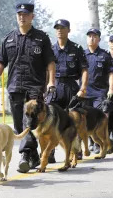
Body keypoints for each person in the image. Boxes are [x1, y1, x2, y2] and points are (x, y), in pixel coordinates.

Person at [0, 3, 56, 173]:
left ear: (32, 16)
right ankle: (33, 155)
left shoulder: (42, 38)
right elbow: (0, 61)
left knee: (31, 121)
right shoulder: (9, 38)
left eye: (25, 14)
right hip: (14, 87)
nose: (22, 17)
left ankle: (25, 155)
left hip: (34, 87)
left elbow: (50, 61)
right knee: (20, 124)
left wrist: (51, 82)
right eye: (19, 14)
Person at [46, 19, 88, 160]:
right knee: (51, 119)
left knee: (75, 120)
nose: (59, 30)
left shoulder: (76, 48)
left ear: (68, 30)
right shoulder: (51, 49)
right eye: (57, 28)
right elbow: (47, 71)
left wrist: (83, 88)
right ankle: (50, 152)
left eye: (62, 28)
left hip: (71, 86)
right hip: (55, 86)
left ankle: (76, 150)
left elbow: (84, 70)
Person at [84, 28, 113, 153]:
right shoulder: (82, 54)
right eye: (90, 36)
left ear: (99, 39)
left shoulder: (104, 55)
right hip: (85, 92)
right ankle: (91, 143)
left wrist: (111, 88)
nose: (92, 38)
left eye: (94, 36)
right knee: (84, 118)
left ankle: (101, 144)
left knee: (99, 118)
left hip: (100, 93)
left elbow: (111, 73)